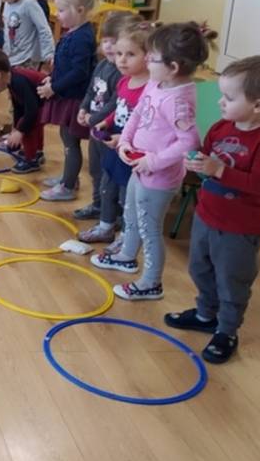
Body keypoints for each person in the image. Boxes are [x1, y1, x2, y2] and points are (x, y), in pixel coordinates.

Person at [165, 56, 260, 363]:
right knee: (199, 268)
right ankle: (206, 315)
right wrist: (197, 162)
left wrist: (219, 170)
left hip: (238, 230)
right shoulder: (221, 128)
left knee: (232, 281)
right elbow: (207, 158)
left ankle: (227, 331)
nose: (221, 102)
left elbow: (259, 185)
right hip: (206, 217)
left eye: (229, 98)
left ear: (258, 105)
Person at [92, 22, 218, 301]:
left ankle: (151, 283)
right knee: (131, 216)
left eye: (152, 56)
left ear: (173, 67)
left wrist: (153, 162)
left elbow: (189, 142)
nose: (147, 59)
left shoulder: (179, 101)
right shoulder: (156, 82)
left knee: (149, 230)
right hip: (140, 167)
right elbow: (137, 114)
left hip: (159, 177)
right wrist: (126, 141)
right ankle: (126, 257)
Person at [81, 21, 152, 245]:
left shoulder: (150, 89)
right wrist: (106, 122)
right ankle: (105, 227)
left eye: (130, 54)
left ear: (148, 57)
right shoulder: (124, 82)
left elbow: (148, 125)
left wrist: (123, 139)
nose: (121, 60)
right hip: (115, 145)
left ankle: (126, 237)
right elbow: (120, 108)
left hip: (132, 150)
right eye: (119, 53)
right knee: (107, 186)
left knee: (126, 196)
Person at [37, 0, 100, 201]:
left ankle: (68, 186)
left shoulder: (82, 37)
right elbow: (66, 66)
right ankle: (68, 177)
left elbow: (79, 72)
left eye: (62, 10)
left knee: (71, 141)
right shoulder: (74, 32)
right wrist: (51, 78)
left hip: (75, 98)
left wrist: (54, 87)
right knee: (66, 138)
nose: (58, 15)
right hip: (68, 94)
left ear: (80, 10)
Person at [74, 11, 137, 220]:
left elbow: (114, 104)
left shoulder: (122, 73)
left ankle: (112, 212)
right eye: (105, 41)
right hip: (96, 130)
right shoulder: (102, 66)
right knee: (95, 169)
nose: (108, 46)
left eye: (113, 41)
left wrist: (93, 118)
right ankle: (98, 204)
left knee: (108, 174)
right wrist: (83, 108)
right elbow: (91, 90)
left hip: (111, 131)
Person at [0, 48, 47, 174]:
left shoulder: (18, 81)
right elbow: (19, 106)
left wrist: (20, 131)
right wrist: (16, 128)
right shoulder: (12, 80)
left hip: (49, 103)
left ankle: (31, 160)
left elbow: (31, 110)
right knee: (29, 123)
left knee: (30, 127)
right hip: (42, 103)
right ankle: (37, 153)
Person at [0, 0, 55, 70]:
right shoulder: (7, 4)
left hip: (28, 58)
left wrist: (48, 53)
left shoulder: (29, 3)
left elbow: (43, 28)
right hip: (13, 56)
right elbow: (7, 31)